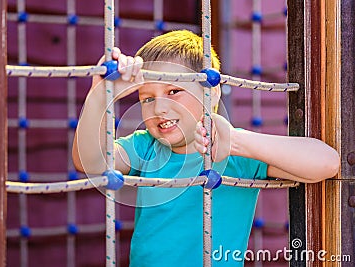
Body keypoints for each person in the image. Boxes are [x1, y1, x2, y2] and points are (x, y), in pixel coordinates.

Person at [72, 30, 340, 266]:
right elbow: (91, 162)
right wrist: (100, 94)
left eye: (174, 91)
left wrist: (235, 142)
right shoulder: (146, 146)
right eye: (147, 98)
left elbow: (327, 163)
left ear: (212, 92)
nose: (159, 108)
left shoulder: (238, 152)